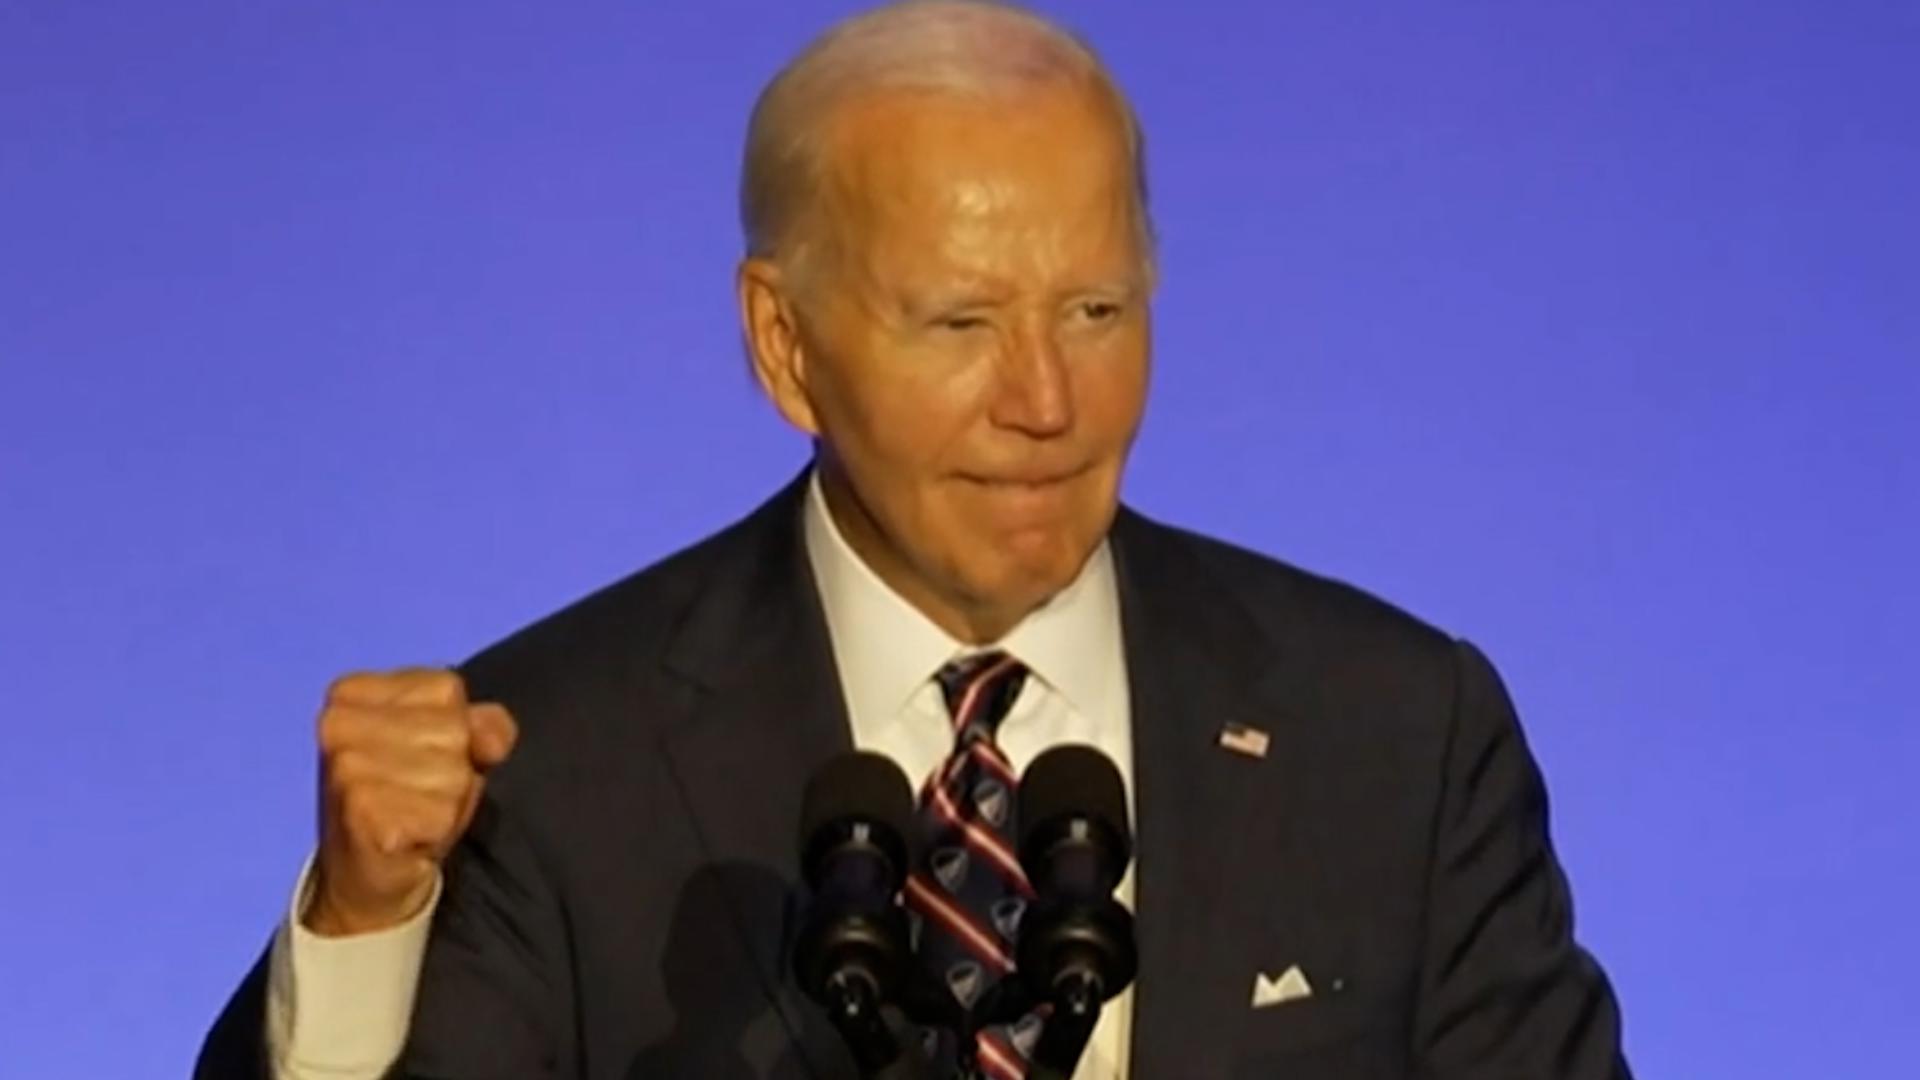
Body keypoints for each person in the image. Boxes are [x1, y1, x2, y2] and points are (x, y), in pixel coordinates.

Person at [196, 2, 1631, 1077]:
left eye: (1096, 312)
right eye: (962, 323)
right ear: (785, 345)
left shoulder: (1392, 732)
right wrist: (365, 925)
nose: (1046, 402)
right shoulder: (559, 762)